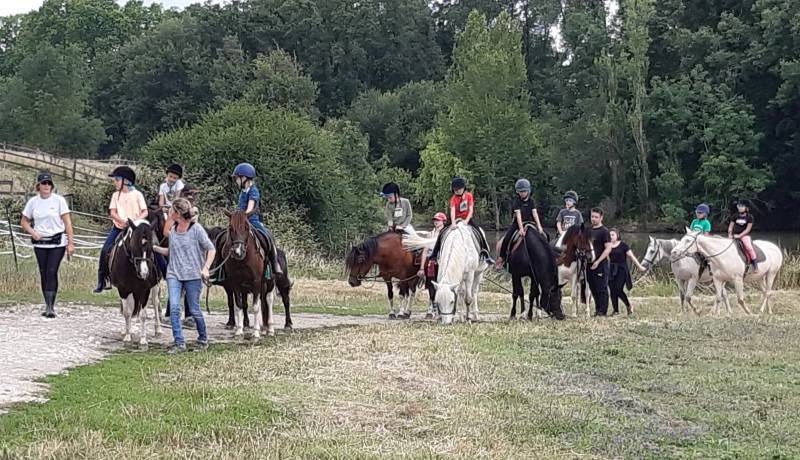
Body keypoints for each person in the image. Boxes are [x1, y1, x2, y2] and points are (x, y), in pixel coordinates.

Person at [153, 198, 214, 353]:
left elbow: (211, 249)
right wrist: (154, 248)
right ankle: (179, 342)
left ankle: (202, 338)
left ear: (178, 213)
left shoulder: (196, 229)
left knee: (194, 310)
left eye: (171, 210)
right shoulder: (173, 230)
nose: (169, 213)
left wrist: (205, 268)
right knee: (174, 308)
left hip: (193, 274)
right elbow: (171, 251)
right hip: (174, 273)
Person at [20, 172, 75, 318]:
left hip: (57, 242)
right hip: (40, 242)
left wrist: (70, 243)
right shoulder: (33, 202)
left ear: (52, 186)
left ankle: (51, 307)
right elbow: (24, 221)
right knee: (43, 272)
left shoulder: (59, 201)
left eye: (49, 183)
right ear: (38, 186)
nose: (46, 186)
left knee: (52, 271)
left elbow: (67, 222)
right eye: (44, 183)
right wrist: (32, 232)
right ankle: (46, 303)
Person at [94, 166, 148, 293]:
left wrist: (134, 222)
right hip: (119, 228)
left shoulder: (137, 195)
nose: (115, 182)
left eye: (117, 179)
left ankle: (156, 273)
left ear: (126, 181)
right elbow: (112, 212)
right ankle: (103, 279)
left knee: (148, 247)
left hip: (135, 229)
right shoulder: (115, 195)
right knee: (105, 250)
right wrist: (121, 221)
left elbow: (144, 211)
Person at [231, 162, 282, 275]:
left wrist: (241, 217)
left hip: (252, 221)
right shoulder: (242, 192)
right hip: (242, 221)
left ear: (244, 178)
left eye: (237, 178)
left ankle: (275, 264)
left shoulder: (253, 191)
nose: (236, 181)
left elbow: (249, 209)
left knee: (268, 237)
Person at [496, 178, 544, 269]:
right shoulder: (516, 201)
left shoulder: (531, 201)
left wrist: (539, 226)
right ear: (518, 192)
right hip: (517, 224)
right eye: (520, 191)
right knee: (507, 238)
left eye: (524, 191)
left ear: (528, 191)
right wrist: (521, 229)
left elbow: (534, 213)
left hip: (530, 223)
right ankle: (502, 257)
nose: (522, 193)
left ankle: (546, 258)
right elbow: (518, 215)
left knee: (545, 236)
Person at [445, 176, 493, 264]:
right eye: (455, 190)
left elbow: (471, 209)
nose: (457, 191)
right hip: (456, 220)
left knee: (479, 232)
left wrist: (467, 220)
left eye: (459, 189)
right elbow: (452, 211)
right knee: (442, 233)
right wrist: (453, 223)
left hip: (467, 218)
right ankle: (435, 253)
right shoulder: (453, 199)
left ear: (463, 188)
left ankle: (486, 253)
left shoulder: (468, 196)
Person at [607, 228, 646, 316]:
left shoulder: (623, 245)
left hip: (622, 269)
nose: (611, 236)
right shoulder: (608, 246)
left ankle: (628, 305)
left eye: (613, 234)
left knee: (618, 289)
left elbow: (632, 257)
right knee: (612, 290)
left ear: (617, 235)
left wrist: (639, 266)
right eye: (609, 235)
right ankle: (615, 311)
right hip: (611, 269)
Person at [418, 212, 447, 318]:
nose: (436, 222)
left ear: (443, 221)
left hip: (442, 263)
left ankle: (440, 307)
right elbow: (425, 251)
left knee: (441, 285)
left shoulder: (446, 233)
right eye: (435, 220)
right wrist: (421, 267)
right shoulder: (430, 234)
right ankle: (431, 306)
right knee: (431, 284)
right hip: (431, 262)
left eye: (438, 220)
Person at [587, 208, 612, 316]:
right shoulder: (588, 230)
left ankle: (603, 311)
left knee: (601, 287)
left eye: (596, 217)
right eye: (592, 216)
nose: (594, 219)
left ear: (601, 218)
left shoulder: (604, 231)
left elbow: (608, 248)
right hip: (589, 264)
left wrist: (598, 261)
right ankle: (597, 309)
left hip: (600, 264)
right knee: (593, 287)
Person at [728, 199, 757, 272]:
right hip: (734, 235)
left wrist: (740, 235)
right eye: (739, 206)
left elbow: (747, 229)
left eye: (742, 206)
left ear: (746, 208)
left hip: (744, 235)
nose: (740, 207)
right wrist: (730, 234)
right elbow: (731, 226)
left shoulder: (749, 217)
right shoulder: (734, 216)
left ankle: (755, 264)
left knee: (749, 247)